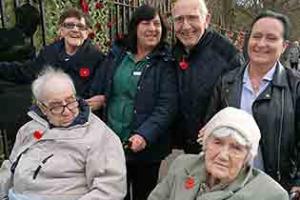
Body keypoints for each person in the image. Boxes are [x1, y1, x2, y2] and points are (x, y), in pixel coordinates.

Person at [206, 10, 300, 194]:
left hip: (276, 187)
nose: (261, 44)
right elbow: (210, 127)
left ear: (284, 46)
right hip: (229, 184)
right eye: (256, 36)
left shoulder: (295, 86)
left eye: (271, 38)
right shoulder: (227, 82)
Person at [89, 4, 177, 200]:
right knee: (114, 193)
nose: (152, 28)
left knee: (143, 195)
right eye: (146, 23)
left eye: (157, 24)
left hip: (145, 148)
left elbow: (167, 106)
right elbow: (104, 84)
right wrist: (101, 97)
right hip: (112, 142)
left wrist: (144, 135)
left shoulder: (166, 62)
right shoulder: (118, 55)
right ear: (135, 27)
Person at [0, 67, 126, 200]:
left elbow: (110, 189)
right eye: (56, 106)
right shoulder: (29, 129)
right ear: (42, 107)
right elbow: (10, 166)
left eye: (71, 101)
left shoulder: (99, 136)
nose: (67, 111)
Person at [148, 107, 289, 200]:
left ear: (247, 156)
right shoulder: (183, 165)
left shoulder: (270, 194)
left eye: (236, 148)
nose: (223, 155)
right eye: (218, 143)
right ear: (206, 144)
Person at [171, 0, 242, 153]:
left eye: (192, 18)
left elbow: (236, 107)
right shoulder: (174, 53)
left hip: (217, 148)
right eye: (179, 19)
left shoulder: (227, 54)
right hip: (183, 146)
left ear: (207, 20)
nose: (186, 26)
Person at [0, 7, 104, 99]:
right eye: (69, 25)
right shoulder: (49, 53)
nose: (75, 30)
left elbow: (97, 93)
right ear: (61, 30)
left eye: (80, 27)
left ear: (87, 32)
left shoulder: (97, 59)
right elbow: (26, 72)